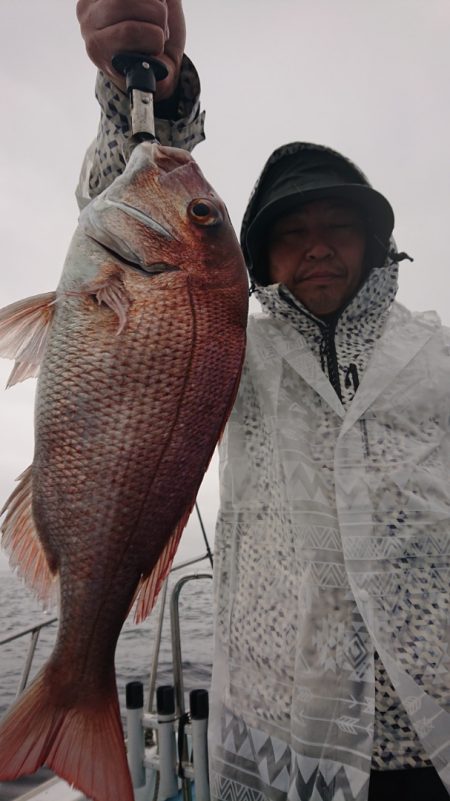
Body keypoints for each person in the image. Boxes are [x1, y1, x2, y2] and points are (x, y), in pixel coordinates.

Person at [76, 2, 450, 800]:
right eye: (293, 231)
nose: (318, 244)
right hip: (294, 734)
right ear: (264, 258)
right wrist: (149, 102)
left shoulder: (437, 353)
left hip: (436, 727)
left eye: (338, 225)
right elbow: (130, 219)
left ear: (374, 240)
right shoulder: (228, 344)